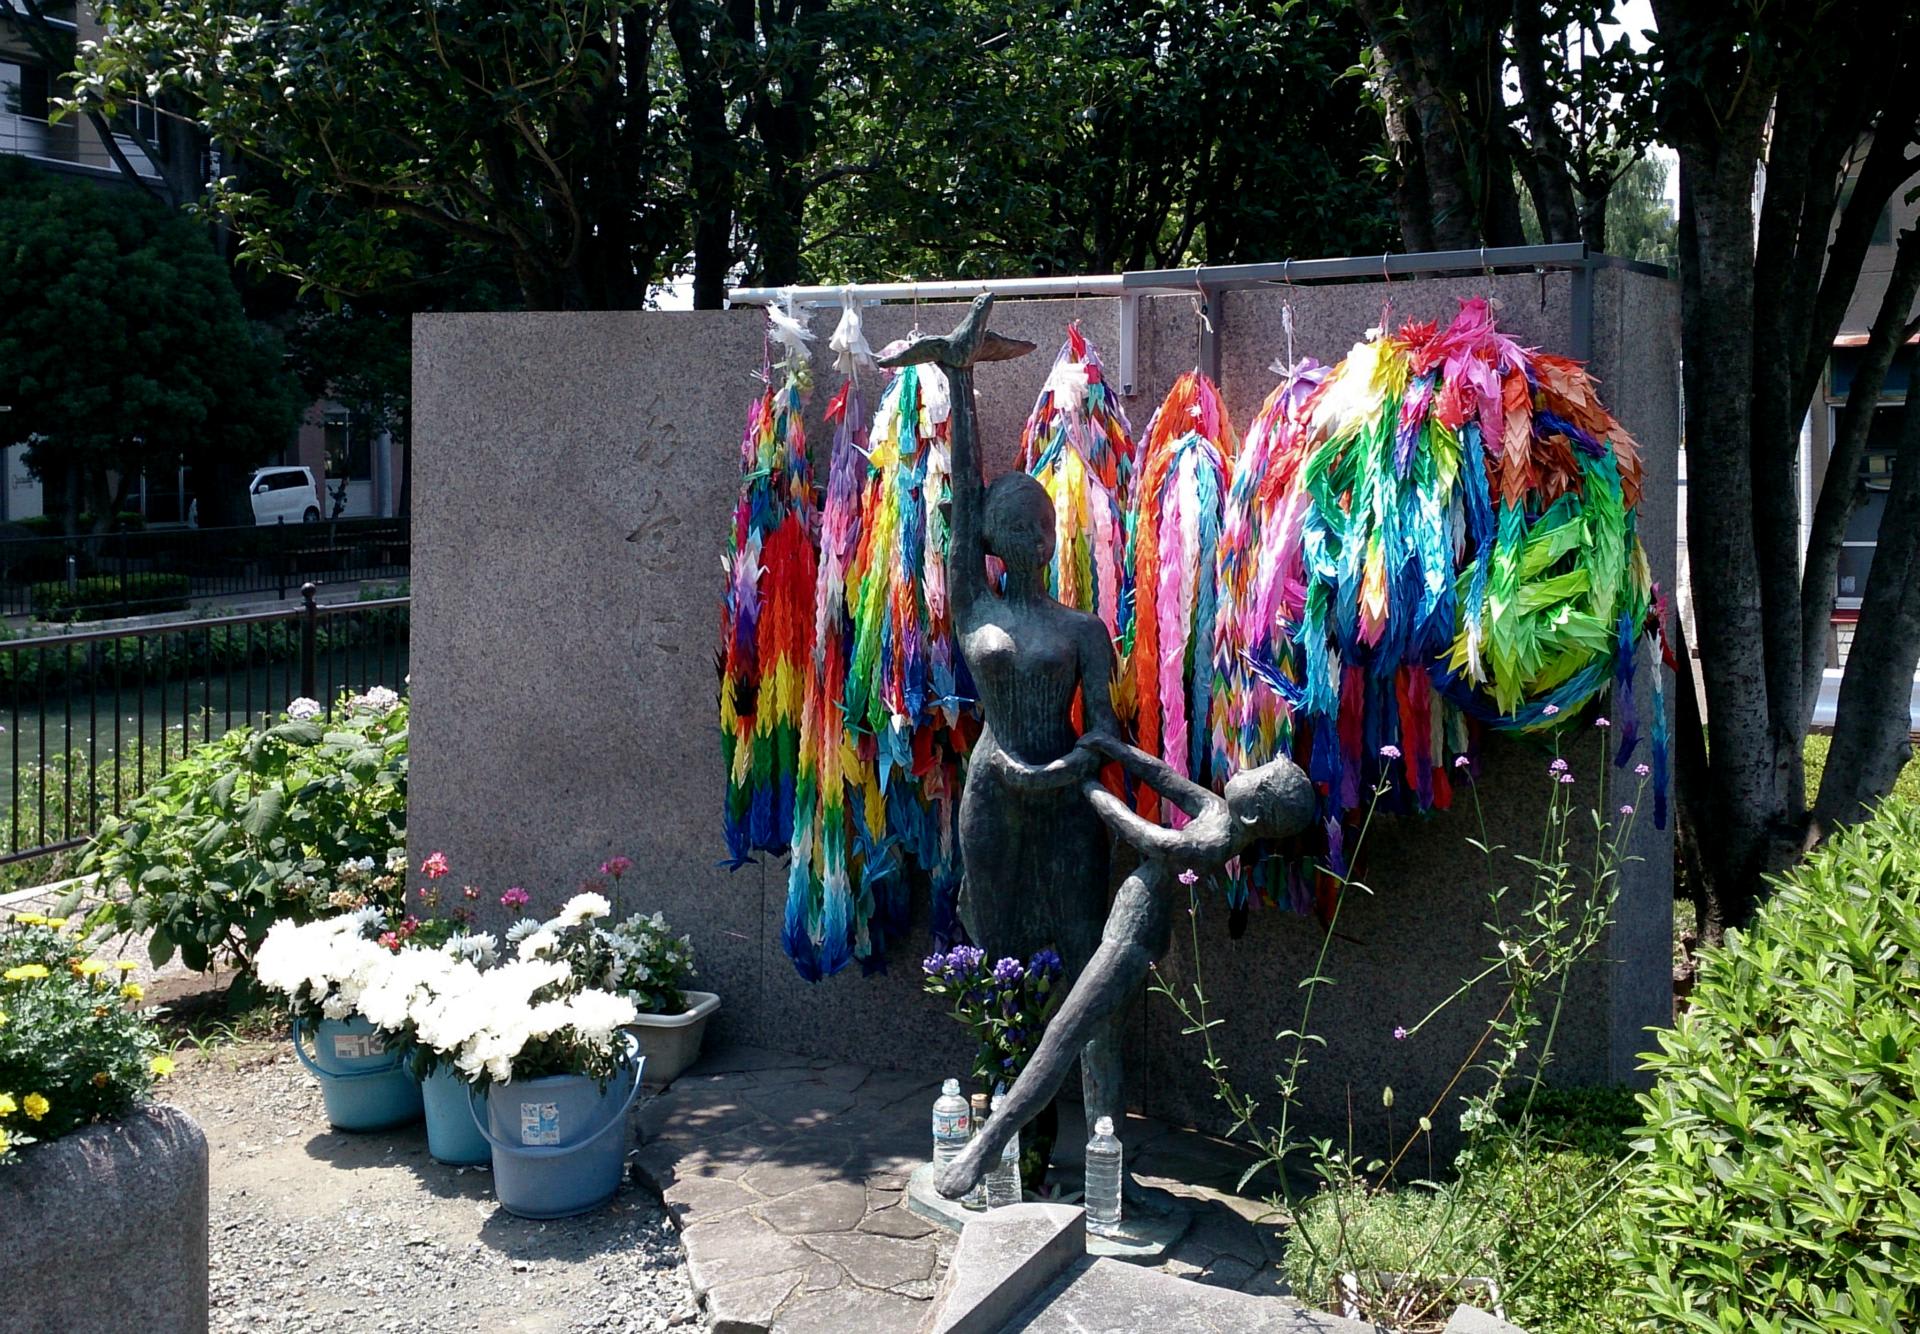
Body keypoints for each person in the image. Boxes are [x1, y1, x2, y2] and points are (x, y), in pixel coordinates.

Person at [879, 296, 1127, 1144]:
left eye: (1036, 522)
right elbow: (961, 501)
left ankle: (1105, 1132)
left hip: (1062, 803)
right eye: (1009, 521)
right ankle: (1014, 1136)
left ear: (1051, 539)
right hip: (992, 794)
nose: (1022, 531)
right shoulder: (975, 607)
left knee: (1089, 953)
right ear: (990, 534)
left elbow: (1105, 734)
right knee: (998, 955)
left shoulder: (1083, 631)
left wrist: (1065, 769)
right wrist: (960, 378)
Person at [934, 729, 1314, 1202]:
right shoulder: (1219, 811)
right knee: (1102, 1046)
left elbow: (1150, 838)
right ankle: (1112, 1179)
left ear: (1254, 813)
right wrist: (1113, 748)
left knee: (1063, 1035)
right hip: (1129, 930)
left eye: (1256, 778)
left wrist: (1090, 788)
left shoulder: (1215, 840)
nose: (1244, 770)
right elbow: (1166, 777)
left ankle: (987, 1146)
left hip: (1131, 939)